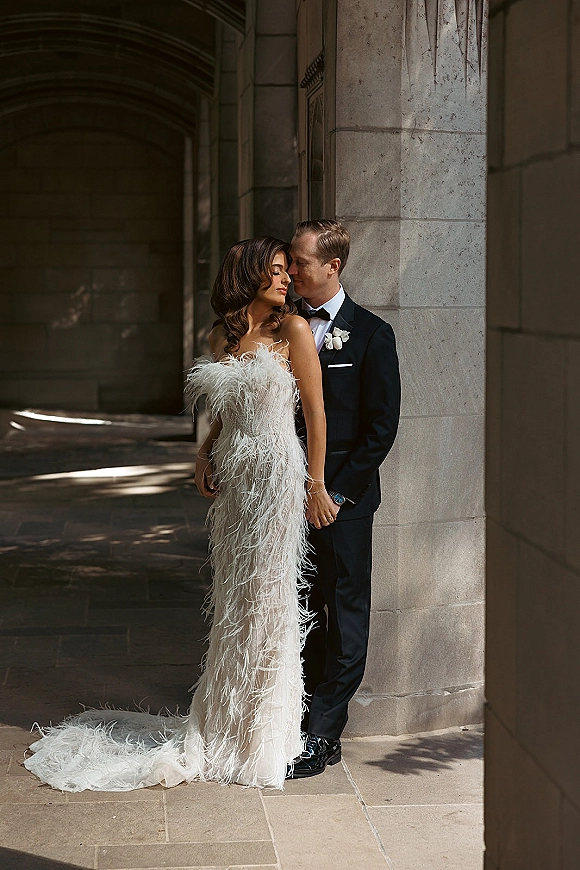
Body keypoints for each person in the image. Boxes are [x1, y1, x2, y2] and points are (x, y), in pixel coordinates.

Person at [23, 236, 335, 792]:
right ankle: (224, 721)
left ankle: (265, 735)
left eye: (289, 270)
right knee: (235, 597)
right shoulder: (222, 335)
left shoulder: (295, 332)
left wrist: (315, 484)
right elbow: (224, 409)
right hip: (237, 480)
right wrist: (203, 449)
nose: (286, 280)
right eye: (276, 271)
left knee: (268, 598)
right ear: (247, 276)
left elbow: (315, 415)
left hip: (276, 478)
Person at [286, 220, 401, 779]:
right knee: (302, 610)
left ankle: (323, 731)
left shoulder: (373, 336)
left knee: (346, 613)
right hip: (285, 499)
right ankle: (299, 713)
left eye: (301, 261)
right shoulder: (284, 327)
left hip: (343, 505)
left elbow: (380, 431)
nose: (292, 270)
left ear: (332, 266)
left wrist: (334, 494)